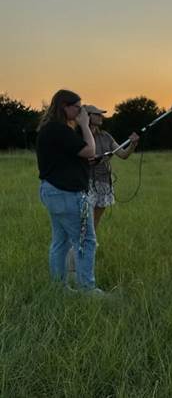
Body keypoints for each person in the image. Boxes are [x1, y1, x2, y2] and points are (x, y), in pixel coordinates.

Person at [36, 89, 101, 293]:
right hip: (67, 193)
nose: (81, 111)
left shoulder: (51, 129)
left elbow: (73, 155)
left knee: (61, 242)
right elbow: (90, 150)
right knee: (86, 241)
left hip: (54, 191)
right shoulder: (59, 129)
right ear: (65, 106)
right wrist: (84, 125)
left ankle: (59, 287)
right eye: (78, 107)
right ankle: (87, 290)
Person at [83, 104, 140, 228]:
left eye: (101, 114)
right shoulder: (80, 136)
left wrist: (132, 145)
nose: (101, 116)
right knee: (85, 222)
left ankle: (88, 246)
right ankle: (77, 246)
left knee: (94, 223)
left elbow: (123, 154)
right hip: (86, 183)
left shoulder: (106, 136)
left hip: (104, 182)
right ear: (87, 117)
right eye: (97, 114)